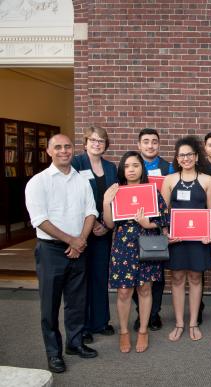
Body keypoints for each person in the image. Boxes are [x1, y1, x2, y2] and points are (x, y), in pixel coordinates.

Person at [25, 134, 99, 373]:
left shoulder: (81, 180)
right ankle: (53, 353)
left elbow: (91, 212)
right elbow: (40, 219)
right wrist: (72, 241)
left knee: (77, 302)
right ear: (49, 151)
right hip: (51, 251)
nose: (64, 151)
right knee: (50, 306)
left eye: (68, 146)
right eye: (58, 147)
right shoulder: (38, 181)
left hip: (79, 247)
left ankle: (74, 344)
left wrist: (81, 241)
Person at [103, 151, 169, 353]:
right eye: (127, 166)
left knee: (145, 289)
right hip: (123, 246)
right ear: (123, 170)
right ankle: (124, 332)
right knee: (123, 291)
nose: (131, 169)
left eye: (136, 165)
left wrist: (147, 223)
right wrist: (106, 202)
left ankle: (142, 330)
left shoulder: (152, 192)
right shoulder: (116, 191)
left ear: (142, 169)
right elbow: (109, 224)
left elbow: (164, 220)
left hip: (146, 246)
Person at [161, 136, 211, 342]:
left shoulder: (206, 180)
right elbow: (163, 212)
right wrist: (166, 233)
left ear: (196, 156)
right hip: (177, 239)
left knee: (195, 278)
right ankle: (179, 323)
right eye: (182, 155)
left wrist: (210, 234)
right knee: (176, 279)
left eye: (189, 154)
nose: (186, 158)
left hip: (198, 239)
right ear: (177, 158)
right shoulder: (170, 180)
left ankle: (193, 322)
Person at [71, 126, 118, 345]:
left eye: (101, 141)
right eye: (93, 140)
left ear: (106, 145)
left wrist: (107, 226)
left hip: (103, 230)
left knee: (100, 276)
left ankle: (101, 322)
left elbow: (116, 199)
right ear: (85, 142)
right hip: (81, 231)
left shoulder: (111, 167)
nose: (97, 143)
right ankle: (84, 326)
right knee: (82, 279)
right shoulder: (76, 164)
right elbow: (72, 198)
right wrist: (89, 225)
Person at [133, 128, 174, 332]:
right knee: (134, 272)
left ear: (159, 145)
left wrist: (166, 225)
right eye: (146, 142)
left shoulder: (169, 167)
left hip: (157, 226)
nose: (150, 145)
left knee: (155, 274)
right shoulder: (131, 165)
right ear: (139, 145)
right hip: (133, 228)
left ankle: (154, 314)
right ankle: (141, 313)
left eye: (154, 142)